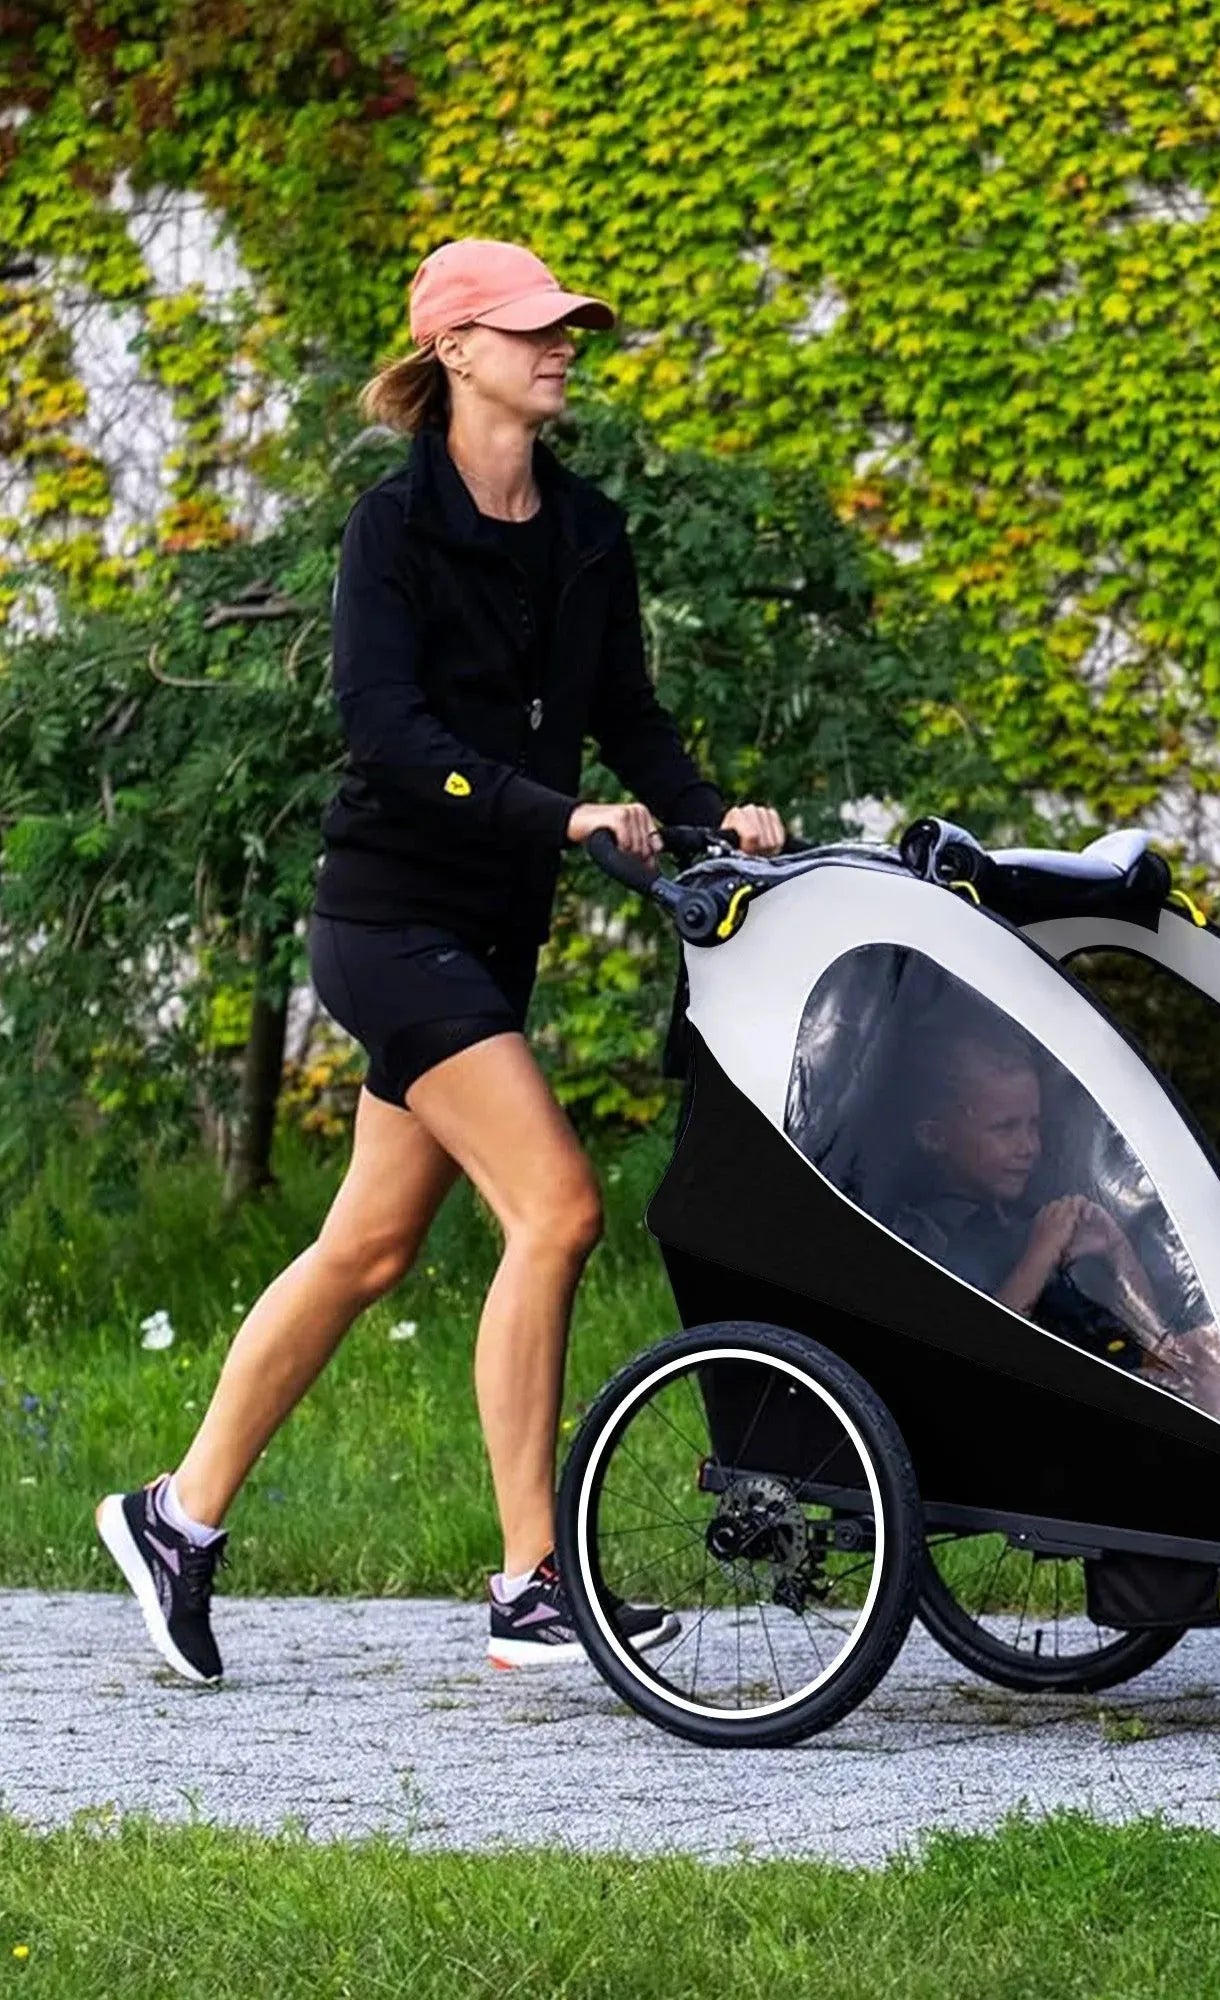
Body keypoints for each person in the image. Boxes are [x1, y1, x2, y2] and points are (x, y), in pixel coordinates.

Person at [94, 238, 787, 1685]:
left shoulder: (587, 531)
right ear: (456, 352)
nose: (563, 347)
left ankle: (176, 1519)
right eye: (534, 330)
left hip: (490, 930)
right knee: (557, 1209)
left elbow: (631, 716)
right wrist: (563, 811)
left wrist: (708, 806)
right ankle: (534, 1581)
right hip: (389, 919)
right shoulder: (389, 534)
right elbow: (391, 740)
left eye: (571, 330)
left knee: (370, 1247)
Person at [891, 1028, 1220, 1425]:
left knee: (1218, 1353)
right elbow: (977, 1349)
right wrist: (1041, 1254)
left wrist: (1116, 1249)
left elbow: (1149, 1331)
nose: (1028, 1146)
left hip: (1125, 1373)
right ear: (935, 1137)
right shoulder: (921, 1234)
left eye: (1034, 1125)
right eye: (1005, 1128)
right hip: (1030, 1409)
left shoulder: (1026, 1217)